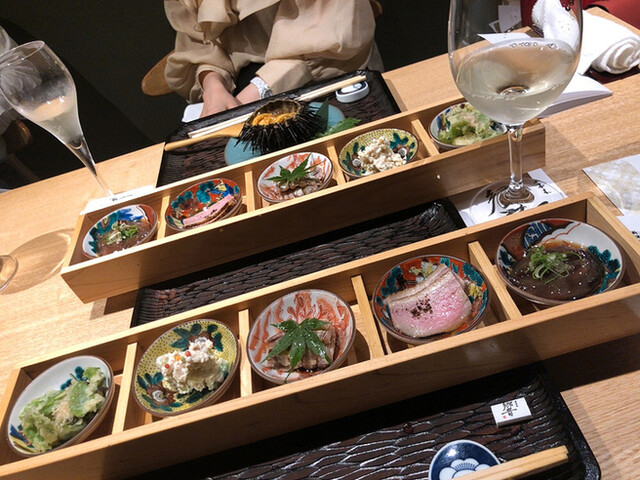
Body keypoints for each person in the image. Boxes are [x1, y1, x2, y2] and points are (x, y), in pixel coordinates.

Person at [164, 0, 383, 118]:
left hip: (328, 71)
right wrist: (213, 87)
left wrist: (254, 95)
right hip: (240, 88)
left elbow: (331, 33)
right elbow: (200, 42)